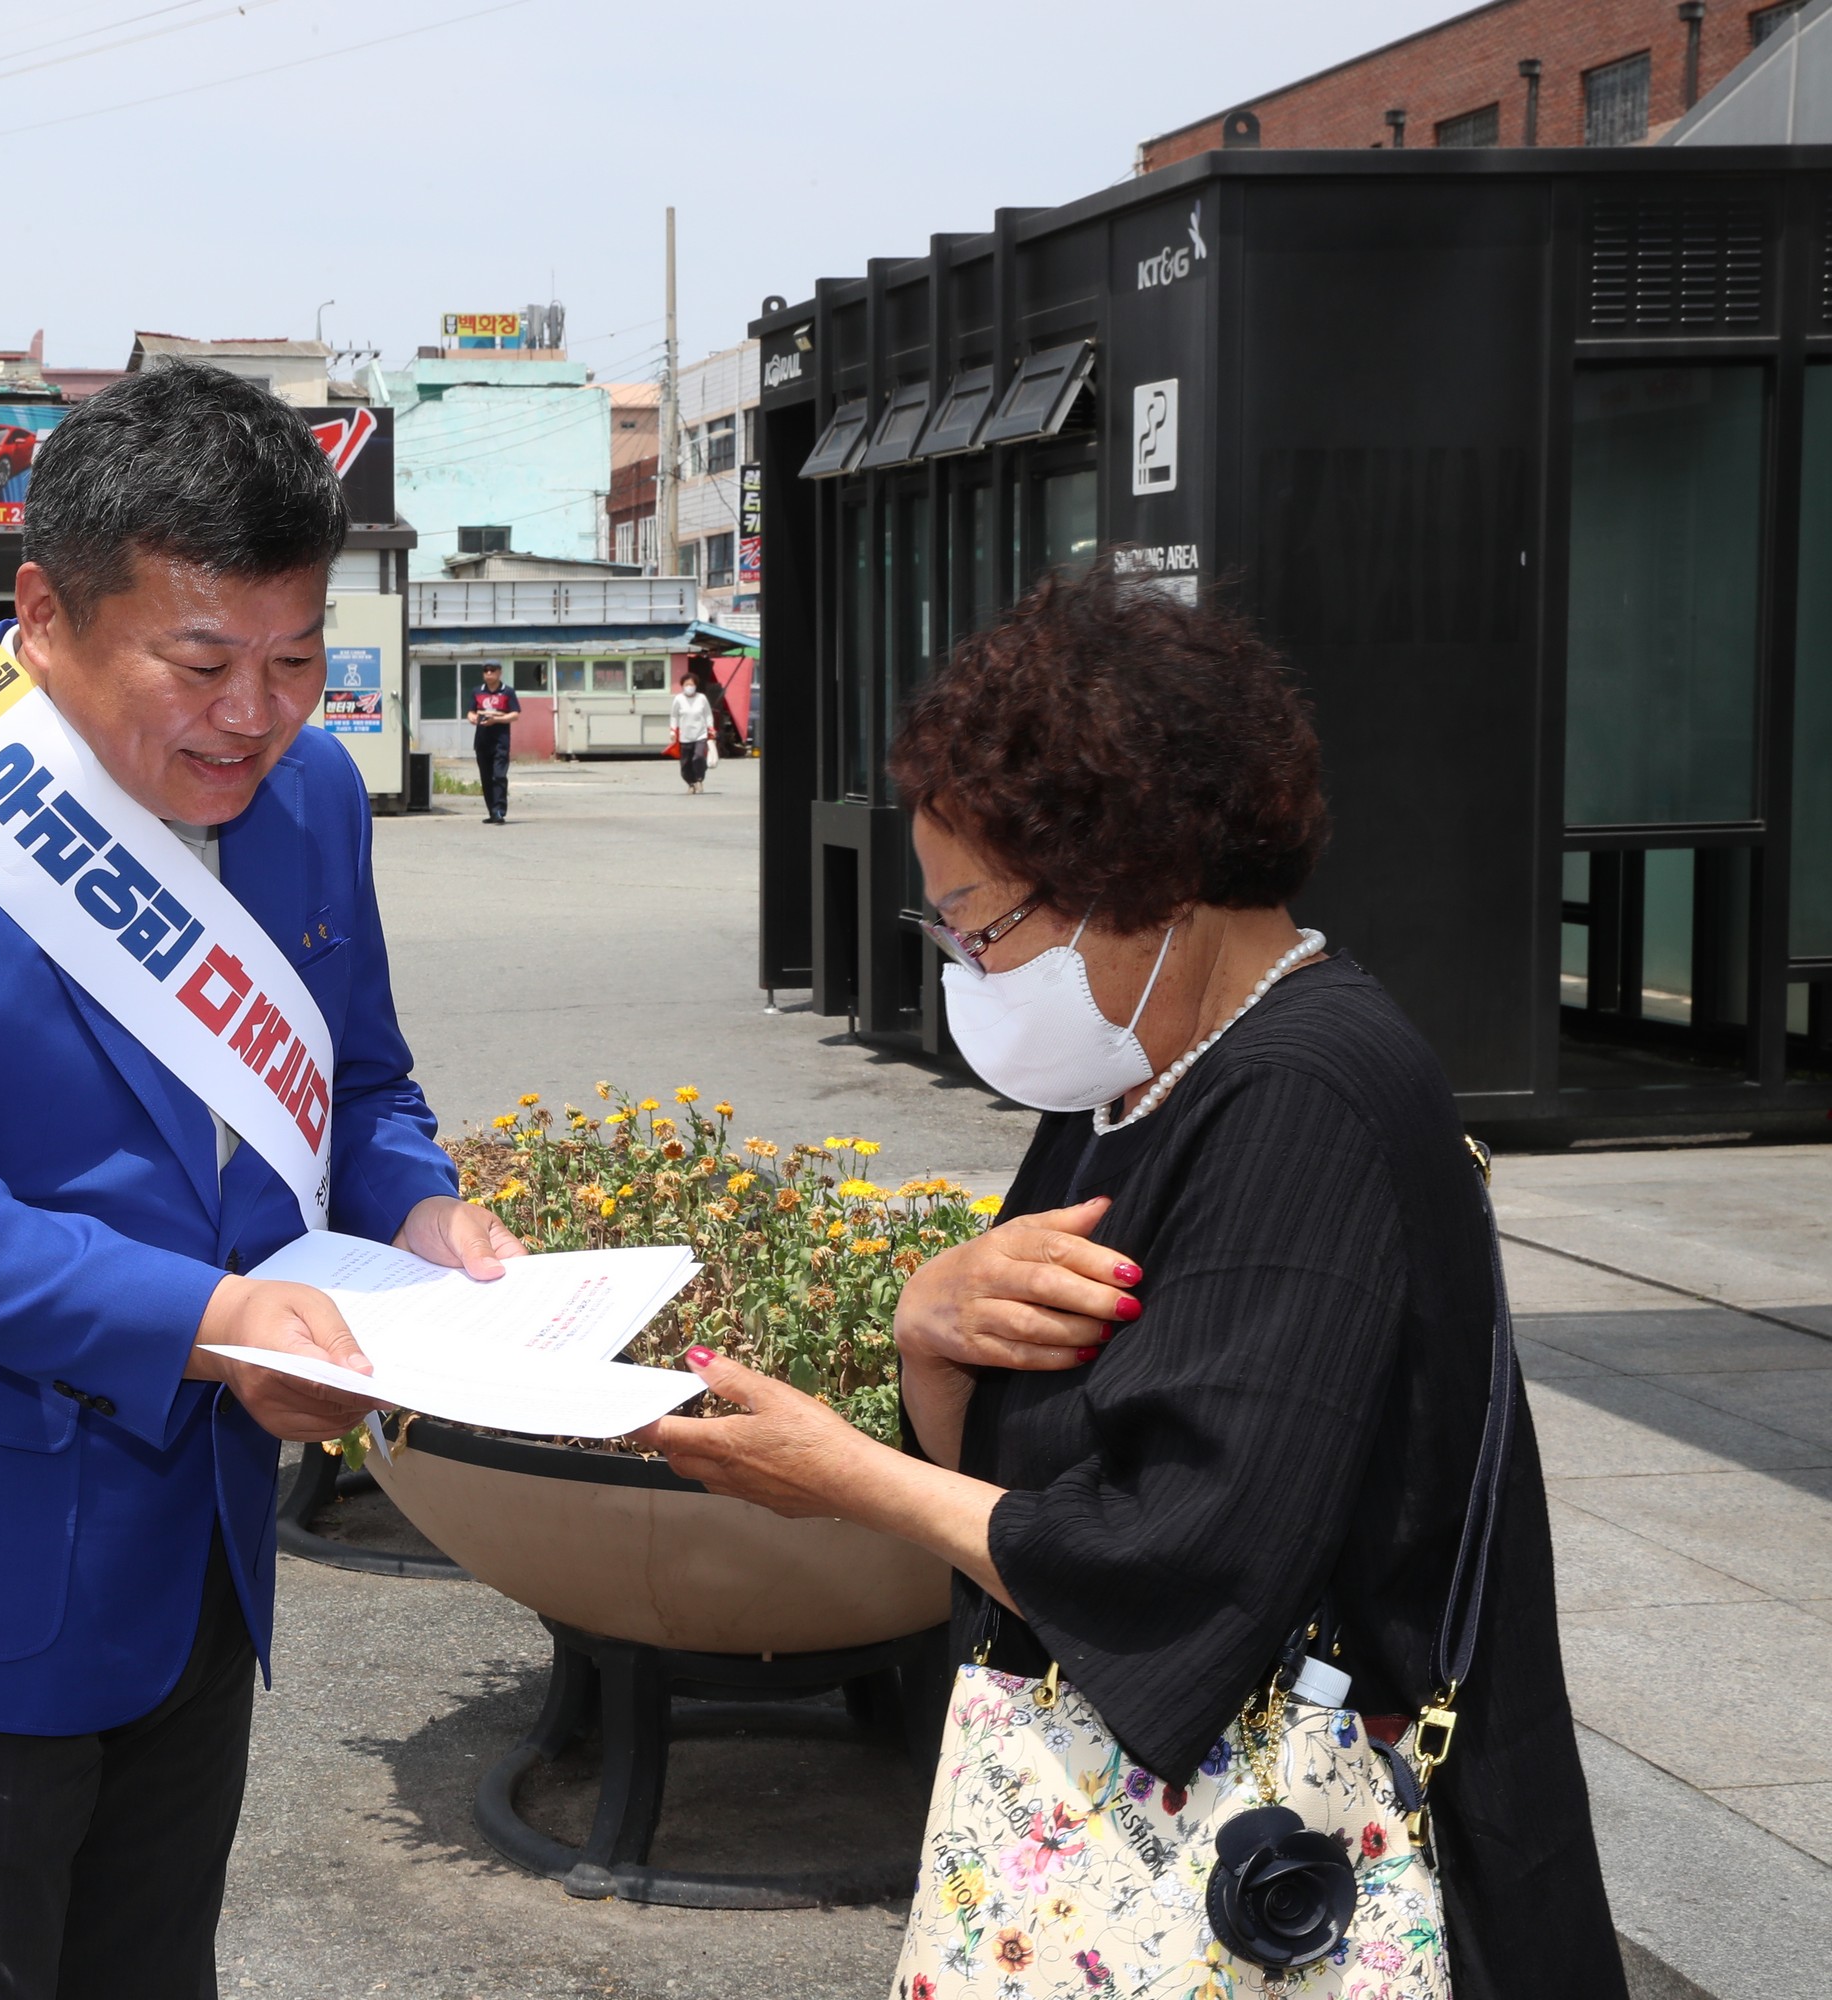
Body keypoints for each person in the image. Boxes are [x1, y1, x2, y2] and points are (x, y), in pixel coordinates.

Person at [635, 566, 1619, 1997]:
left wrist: (842, 1474)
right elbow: (1031, 1480)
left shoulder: (1305, 1103)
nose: (968, 971)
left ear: (1139, 879)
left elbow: (1180, 1556)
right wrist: (929, 1332)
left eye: (984, 925)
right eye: (949, 933)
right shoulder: (1140, 1073)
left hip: (1320, 1883)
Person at [0, 363, 523, 2000]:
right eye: (204, 660)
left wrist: (421, 1207)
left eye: (297, 659)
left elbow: (356, 1082)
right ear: (45, 609)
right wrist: (227, 1320)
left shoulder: (306, 800)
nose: (257, 713)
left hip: (196, 1572)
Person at [467, 663, 520, 823]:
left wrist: (496, 719)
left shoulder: (507, 692)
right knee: (486, 777)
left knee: (499, 776)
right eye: (486, 671)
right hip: (482, 741)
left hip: (500, 741)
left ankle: (499, 811)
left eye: (492, 671)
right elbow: (470, 711)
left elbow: (515, 714)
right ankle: (492, 812)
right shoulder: (477, 691)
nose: (489, 673)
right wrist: (472, 718)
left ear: (499, 673)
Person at [668, 663, 719, 793]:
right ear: (682, 686)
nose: (689, 687)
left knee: (698, 757)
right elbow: (674, 716)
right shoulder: (678, 699)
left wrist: (711, 729)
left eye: (692, 684)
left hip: (700, 735)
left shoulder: (701, 698)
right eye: (686, 685)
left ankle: (699, 779)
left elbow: (708, 715)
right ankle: (691, 783)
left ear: (696, 685)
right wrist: (673, 730)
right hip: (685, 736)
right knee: (685, 764)